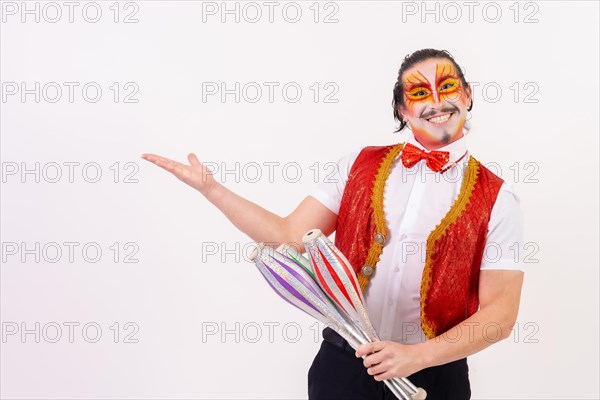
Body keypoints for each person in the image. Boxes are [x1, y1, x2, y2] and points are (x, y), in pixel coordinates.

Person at [141, 48, 525, 400]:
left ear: (468, 94)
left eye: (447, 87)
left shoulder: (498, 198)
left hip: (435, 378)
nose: (437, 102)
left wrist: (417, 357)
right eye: (419, 93)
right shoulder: (357, 165)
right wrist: (213, 190)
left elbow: (501, 314)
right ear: (402, 109)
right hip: (342, 369)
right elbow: (290, 239)